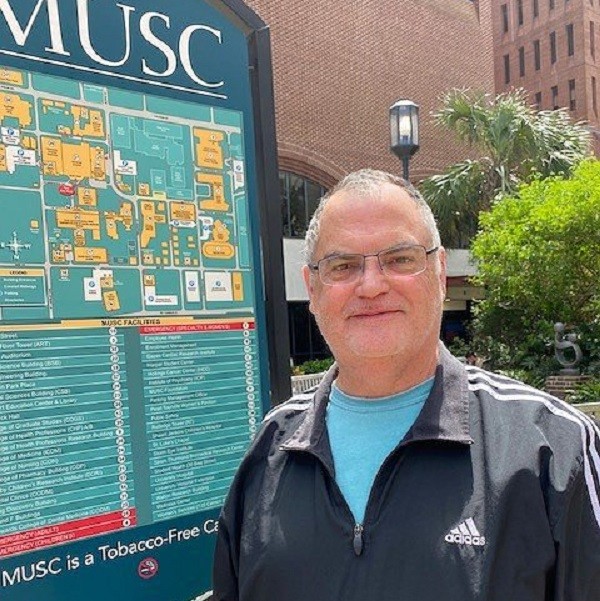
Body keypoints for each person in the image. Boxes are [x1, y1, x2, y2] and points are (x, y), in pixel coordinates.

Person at [213, 169, 600, 601]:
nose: (372, 285)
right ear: (313, 288)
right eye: (343, 266)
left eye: (400, 259)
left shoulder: (552, 446)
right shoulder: (269, 449)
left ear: (438, 271)